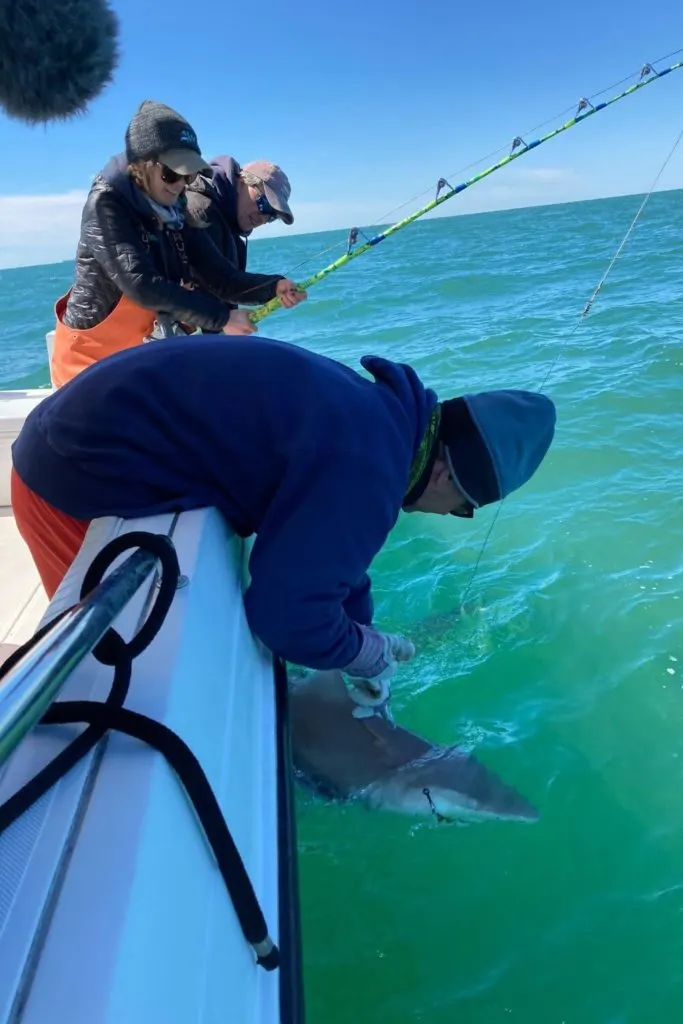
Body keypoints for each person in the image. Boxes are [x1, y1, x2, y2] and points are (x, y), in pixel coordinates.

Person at [10, 336, 556, 710]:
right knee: (101, 670)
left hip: (84, 429)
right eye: (465, 509)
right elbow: (282, 618)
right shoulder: (367, 468)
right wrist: (361, 652)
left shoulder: (381, 424)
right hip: (69, 476)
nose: (456, 517)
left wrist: (357, 635)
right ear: (444, 474)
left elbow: (332, 552)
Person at [49, 100, 307, 388]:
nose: (180, 184)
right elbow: (141, 285)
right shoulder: (106, 204)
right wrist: (222, 318)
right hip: (87, 365)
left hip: (134, 360)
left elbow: (222, 277)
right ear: (142, 166)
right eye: (171, 173)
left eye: (188, 175)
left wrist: (273, 287)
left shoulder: (175, 209)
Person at [185, 157, 295, 276]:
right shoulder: (202, 212)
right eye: (264, 204)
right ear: (242, 181)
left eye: (272, 216)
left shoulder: (235, 238)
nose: (263, 219)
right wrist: (271, 287)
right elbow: (216, 284)